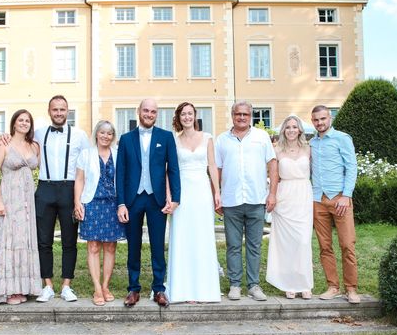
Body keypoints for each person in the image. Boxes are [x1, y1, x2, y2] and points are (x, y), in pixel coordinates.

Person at [0, 95, 89, 303]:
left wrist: (79, 199)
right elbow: (17, 141)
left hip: (69, 188)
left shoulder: (80, 136)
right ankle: (47, 284)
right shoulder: (38, 134)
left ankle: (67, 285)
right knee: (43, 240)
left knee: (69, 240)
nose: (58, 113)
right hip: (45, 189)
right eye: (55, 109)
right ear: (49, 112)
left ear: (68, 111)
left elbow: (84, 169)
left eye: (62, 109)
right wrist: (3, 137)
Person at [116, 99, 181, 308]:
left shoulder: (166, 137)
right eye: (146, 110)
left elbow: (173, 169)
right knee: (133, 246)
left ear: (156, 114)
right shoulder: (126, 139)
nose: (149, 114)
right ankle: (133, 289)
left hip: (156, 200)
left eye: (153, 111)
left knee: (157, 246)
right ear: (139, 112)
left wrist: (176, 198)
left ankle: (158, 288)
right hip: (133, 199)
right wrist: (121, 203)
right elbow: (121, 173)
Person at [215, 101, 278, 301]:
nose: (241, 117)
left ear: (251, 116)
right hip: (231, 200)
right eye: (238, 114)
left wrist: (273, 193)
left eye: (245, 114)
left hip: (256, 198)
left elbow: (272, 165)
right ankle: (235, 285)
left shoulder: (261, 138)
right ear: (232, 115)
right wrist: (216, 196)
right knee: (233, 245)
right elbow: (216, 170)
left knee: (254, 245)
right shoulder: (222, 140)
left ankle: (253, 285)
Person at [167, 102, 222, 303]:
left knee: (202, 235)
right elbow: (169, 170)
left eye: (190, 114)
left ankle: (204, 289)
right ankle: (184, 289)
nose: (187, 117)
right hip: (182, 192)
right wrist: (170, 195)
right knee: (182, 236)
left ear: (195, 116)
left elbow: (212, 165)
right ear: (179, 117)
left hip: (201, 191)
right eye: (183, 114)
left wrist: (217, 191)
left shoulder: (207, 138)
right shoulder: (173, 139)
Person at [0, 109, 43, 304]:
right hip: (10, 199)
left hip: (28, 202)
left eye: (27, 120)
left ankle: (24, 287)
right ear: (13, 123)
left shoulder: (34, 146)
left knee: (25, 241)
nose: (24, 123)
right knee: (10, 241)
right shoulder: (3, 144)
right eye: (20, 120)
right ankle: (10, 290)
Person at [310, 105, 360, 304]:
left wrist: (346, 195)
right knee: (325, 246)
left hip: (340, 198)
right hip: (318, 200)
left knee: (347, 245)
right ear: (312, 121)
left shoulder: (342, 138)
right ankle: (332, 286)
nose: (319, 123)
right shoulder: (312, 143)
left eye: (323, 119)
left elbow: (352, 167)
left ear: (329, 118)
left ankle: (351, 289)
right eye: (316, 120)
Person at [73, 120, 125, 306]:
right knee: (93, 246)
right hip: (92, 203)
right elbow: (79, 179)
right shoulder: (86, 154)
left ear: (113, 137)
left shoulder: (119, 154)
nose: (106, 136)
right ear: (96, 134)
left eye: (109, 133)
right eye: (102, 132)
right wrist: (77, 203)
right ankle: (96, 288)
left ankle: (105, 286)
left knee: (110, 247)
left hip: (113, 204)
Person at [265, 115, 314, 299]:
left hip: (303, 195)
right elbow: (274, 176)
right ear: (283, 130)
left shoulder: (309, 149)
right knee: (286, 242)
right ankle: (289, 283)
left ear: (300, 130)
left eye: (294, 127)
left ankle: (305, 283)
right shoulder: (276, 149)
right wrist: (272, 196)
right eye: (288, 127)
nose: (291, 130)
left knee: (303, 240)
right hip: (284, 196)